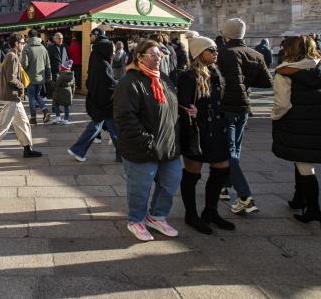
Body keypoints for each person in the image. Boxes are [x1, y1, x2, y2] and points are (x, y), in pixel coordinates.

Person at [113, 40, 180, 242]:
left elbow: (172, 107)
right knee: (139, 189)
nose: (157, 58)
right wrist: (147, 141)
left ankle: (157, 216)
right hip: (142, 148)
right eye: (152, 54)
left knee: (170, 183)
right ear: (139, 57)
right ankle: (136, 220)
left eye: (159, 54)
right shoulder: (130, 82)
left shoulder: (165, 80)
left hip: (169, 145)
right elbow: (125, 117)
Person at [178, 33, 235, 235]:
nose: (215, 53)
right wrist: (194, 112)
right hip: (197, 130)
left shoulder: (215, 72)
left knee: (222, 169)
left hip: (217, 128)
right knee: (192, 173)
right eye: (211, 50)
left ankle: (211, 211)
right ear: (199, 53)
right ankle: (191, 214)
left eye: (215, 50)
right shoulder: (188, 76)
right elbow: (184, 106)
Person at [216, 18, 273, 214]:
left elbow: (222, 80)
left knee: (228, 150)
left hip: (227, 106)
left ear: (227, 34)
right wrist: (247, 83)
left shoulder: (224, 53)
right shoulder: (255, 54)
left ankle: (245, 196)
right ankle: (224, 186)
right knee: (235, 149)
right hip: (244, 107)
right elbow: (267, 82)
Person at [271, 36, 321, 224]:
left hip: (298, 122)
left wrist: (275, 116)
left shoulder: (285, 71)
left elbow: (282, 104)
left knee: (303, 162)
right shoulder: (318, 66)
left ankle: (313, 208)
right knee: (302, 159)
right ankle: (299, 198)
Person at [0, 33, 42, 161]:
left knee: (23, 123)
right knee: (3, 125)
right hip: (11, 96)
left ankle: (27, 148)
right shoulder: (12, 56)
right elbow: (11, 78)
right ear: (16, 43)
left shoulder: (13, 55)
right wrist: (22, 86)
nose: (24, 45)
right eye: (22, 43)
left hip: (14, 97)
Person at [68, 38, 119, 162]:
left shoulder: (97, 60)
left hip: (99, 102)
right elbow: (108, 84)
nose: (113, 52)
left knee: (104, 127)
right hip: (105, 103)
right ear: (105, 50)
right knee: (109, 128)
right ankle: (78, 150)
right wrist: (119, 83)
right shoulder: (104, 65)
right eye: (111, 49)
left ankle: (78, 150)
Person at [21, 30, 52, 124]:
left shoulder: (26, 48)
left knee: (31, 97)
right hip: (41, 78)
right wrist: (48, 77)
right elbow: (48, 65)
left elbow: (24, 65)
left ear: (29, 37)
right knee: (37, 95)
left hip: (30, 78)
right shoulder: (43, 48)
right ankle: (45, 110)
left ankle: (33, 118)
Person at [51, 60, 75, 124]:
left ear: (63, 68)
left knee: (56, 104)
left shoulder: (62, 75)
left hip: (59, 94)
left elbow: (57, 84)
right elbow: (73, 86)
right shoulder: (72, 76)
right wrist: (72, 94)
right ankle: (66, 119)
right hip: (68, 94)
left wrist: (52, 83)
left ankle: (58, 117)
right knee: (67, 107)